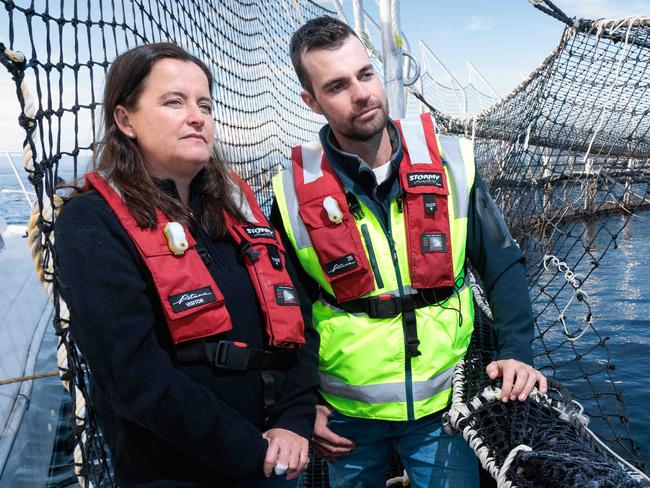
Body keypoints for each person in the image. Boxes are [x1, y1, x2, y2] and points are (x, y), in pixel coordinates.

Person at [271, 16, 548, 488]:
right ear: (311, 102)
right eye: (336, 85)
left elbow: (502, 263)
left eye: (365, 74)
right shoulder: (292, 195)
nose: (360, 93)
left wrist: (517, 351)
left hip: (445, 404)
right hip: (345, 415)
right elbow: (287, 312)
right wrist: (300, 406)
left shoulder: (452, 164)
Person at [54, 42, 319, 487]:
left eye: (205, 105)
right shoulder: (91, 223)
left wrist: (295, 417)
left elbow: (297, 318)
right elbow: (135, 379)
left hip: (274, 455)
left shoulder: (237, 211)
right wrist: (253, 450)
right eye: (174, 102)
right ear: (125, 120)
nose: (197, 116)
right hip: (177, 471)